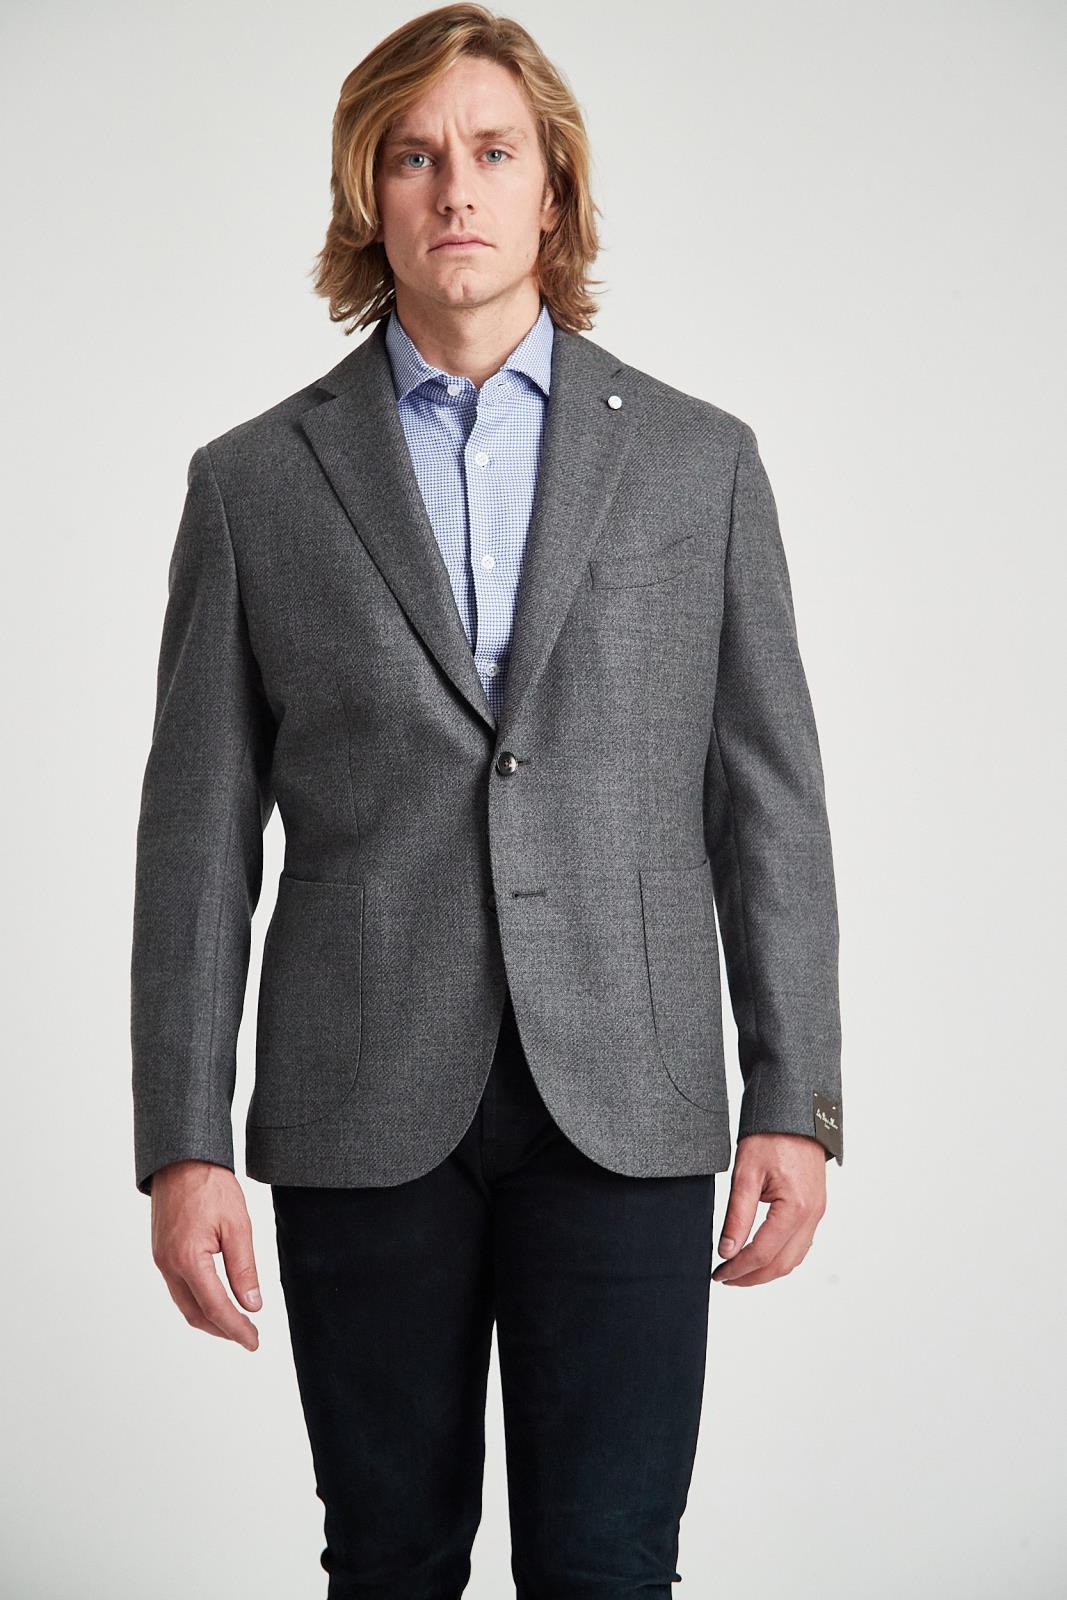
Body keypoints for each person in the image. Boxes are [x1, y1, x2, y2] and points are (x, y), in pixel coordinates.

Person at [130, 5, 843, 1594]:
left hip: (629, 1093)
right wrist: (182, 1141)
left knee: (609, 1563)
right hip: (360, 1096)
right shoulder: (253, 486)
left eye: (493, 151)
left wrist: (794, 1097)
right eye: (413, 155)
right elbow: (194, 840)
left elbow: (770, 805)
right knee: (387, 1561)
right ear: (367, 195)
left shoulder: (700, 464)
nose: (456, 185)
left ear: (553, 190)